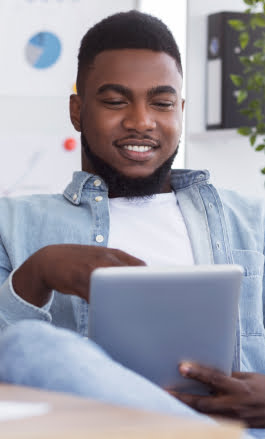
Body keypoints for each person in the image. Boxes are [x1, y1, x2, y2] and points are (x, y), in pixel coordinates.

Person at [0, 10, 264, 437]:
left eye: (161, 102)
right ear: (77, 111)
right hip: (91, 431)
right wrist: (39, 271)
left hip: (239, 429)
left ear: (180, 110)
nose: (142, 121)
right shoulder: (12, 223)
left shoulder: (252, 221)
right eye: (116, 101)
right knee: (25, 346)